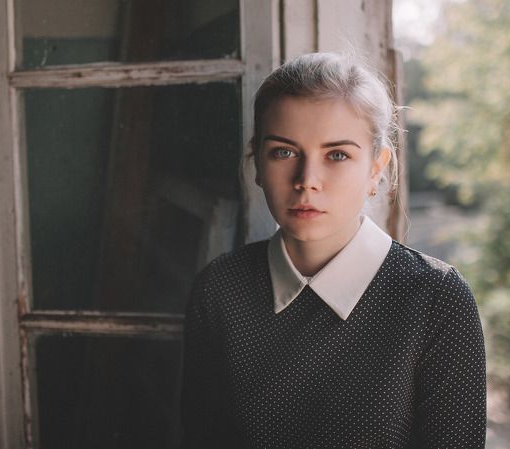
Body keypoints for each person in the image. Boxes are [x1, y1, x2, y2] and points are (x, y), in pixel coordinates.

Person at [181, 52, 486, 449]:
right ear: (256, 161)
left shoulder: (437, 300)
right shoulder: (220, 289)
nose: (307, 181)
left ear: (377, 167)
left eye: (337, 155)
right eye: (284, 152)